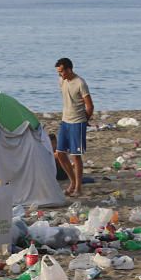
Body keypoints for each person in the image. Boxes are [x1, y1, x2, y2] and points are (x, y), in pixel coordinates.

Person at [54, 57, 92, 197]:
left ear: (69, 69)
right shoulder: (62, 81)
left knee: (76, 156)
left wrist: (85, 120)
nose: (60, 74)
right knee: (60, 154)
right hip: (65, 121)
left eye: (62, 71)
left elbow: (89, 106)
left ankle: (78, 187)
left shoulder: (80, 83)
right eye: (58, 72)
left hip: (78, 122)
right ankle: (72, 182)